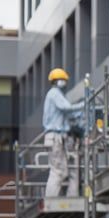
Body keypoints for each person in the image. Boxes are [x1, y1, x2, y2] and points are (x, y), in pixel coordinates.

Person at [42, 68, 84, 198]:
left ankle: (52, 198)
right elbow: (66, 108)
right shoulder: (54, 93)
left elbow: (68, 113)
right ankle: (49, 200)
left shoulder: (56, 94)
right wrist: (84, 104)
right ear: (57, 81)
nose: (65, 83)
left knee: (62, 170)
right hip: (55, 136)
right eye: (63, 80)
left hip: (57, 137)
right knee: (58, 171)